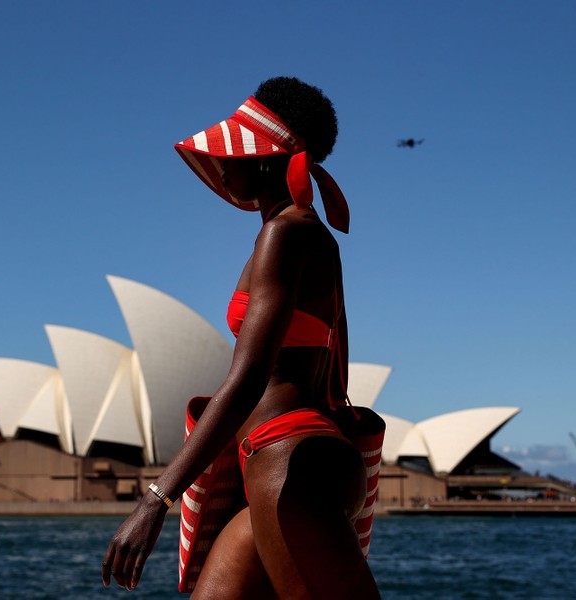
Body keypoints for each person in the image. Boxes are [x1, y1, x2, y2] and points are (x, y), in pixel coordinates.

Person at [102, 76, 381, 599]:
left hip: (289, 460)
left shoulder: (287, 232)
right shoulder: (300, 233)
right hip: (285, 462)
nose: (224, 165)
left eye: (235, 152)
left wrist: (156, 499)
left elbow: (250, 375)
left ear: (268, 158)